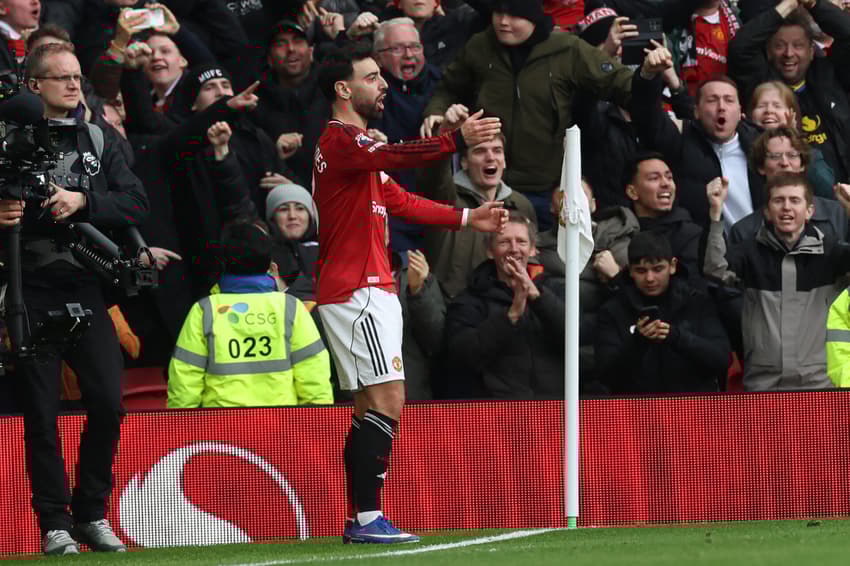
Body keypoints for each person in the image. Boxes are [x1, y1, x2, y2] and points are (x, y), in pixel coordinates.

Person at [313, 41, 507, 544]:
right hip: (356, 289)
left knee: (371, 402)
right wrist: (452, 140)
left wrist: (468, 217)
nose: (381, 86)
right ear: (343, 88)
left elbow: (403, 201)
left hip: (372, 288)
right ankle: (366, 518)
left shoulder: (361, 156)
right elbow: (399, 156)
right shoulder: (340, 140)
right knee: (388, 397)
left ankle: (363, 518)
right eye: (372, 76)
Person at [0, 42, 148, 555]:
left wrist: (85, 199)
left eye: (77, 77)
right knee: (41, 412)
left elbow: (136, 202)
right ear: (33, 86)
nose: (72, 85)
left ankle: (91, 512)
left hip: (87, 287)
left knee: (108, 403)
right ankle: (54, 521)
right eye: (60, 78)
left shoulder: (98, 137)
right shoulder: (5, 139)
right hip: (30, 289)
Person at [423, 0, 636, 230]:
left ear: (534, 17)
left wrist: (649, 76)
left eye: (514, 15)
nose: (503, 22)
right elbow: (448, 89)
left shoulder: (567, 49)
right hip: (488, 189)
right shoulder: (479, 47)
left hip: (547, 191)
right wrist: (436, 112)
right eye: (498, 13)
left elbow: (622, 84)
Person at [704, 171, 850, 391]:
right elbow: (715, 270)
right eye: (778, 200)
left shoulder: (832, 252)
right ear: (767, 212)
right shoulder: (749, 251)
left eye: (795, 200)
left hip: (820, 383)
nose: (786, 207)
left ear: (809, 211)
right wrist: (716, 213)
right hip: (764, 383)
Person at [167, 221, 332, 408]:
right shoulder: (290, 307)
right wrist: (317, 422)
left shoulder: (205, 310)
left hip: (220, 427)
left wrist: (182, 427)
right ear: (270, 264)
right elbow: (313, 371)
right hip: (281, 427)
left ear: (222, 263)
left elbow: (185, 378)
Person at [631, 42, 765, 230]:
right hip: (703, 251)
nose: (721, 107)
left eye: (729, 100)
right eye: (712, 100)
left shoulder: (761, 144)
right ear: (696, 112)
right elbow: (648, 119)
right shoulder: (682, 141)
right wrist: (648, 76)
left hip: (759, 248)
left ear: (740, 110)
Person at [417, 105, 536, 298]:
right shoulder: (446, 197)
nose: (490, 157)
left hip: (505, 308)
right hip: (450, 307)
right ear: (464, 162)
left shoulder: (521, 204)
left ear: (504, 161)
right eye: (480, 151)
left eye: (497, 151)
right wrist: (446, 136)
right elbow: (434, 174)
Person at [444, 212, 566, 399]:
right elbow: (463, 356)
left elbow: (576, 336)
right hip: (498, 413)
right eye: (504, 242)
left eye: (522, 242)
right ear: (490, 251)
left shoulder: (554, 289)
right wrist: (512, 314)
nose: (514, 249)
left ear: (533, 249)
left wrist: (536, 296)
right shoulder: (469, 299)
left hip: (553, 409)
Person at [728, 0, 850, 182]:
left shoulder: (831, 75)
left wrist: (814, 4)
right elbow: (740, 48)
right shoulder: (760, 83)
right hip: (790, 197)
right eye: (779, 45)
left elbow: (847, 33)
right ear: (768, 51)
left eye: (798, 45)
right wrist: (787, 6)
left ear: (811, 51)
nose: (789, 53)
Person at [595, 231, 730, 393]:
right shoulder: (613, 310)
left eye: (658, 269)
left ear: (672, 266)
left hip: (693, 408)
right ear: (630, 270)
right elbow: (606, 375)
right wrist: (638, 341)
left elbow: (721, 359)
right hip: (637, 411)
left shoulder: (696, 302)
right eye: (641, 271)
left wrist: (677, 337)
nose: (650, 278)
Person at [729, 126, 850, 244]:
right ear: (761, 166)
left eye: (792, 155)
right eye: (775, 156)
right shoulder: (743, 231)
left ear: (802, 164)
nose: (784, 163)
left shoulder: (838, 214)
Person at [746, 80, 835, 198]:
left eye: (777, 105)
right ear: (750, 114)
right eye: (761, 106)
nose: (769, 111)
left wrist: (796, 143)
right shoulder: (741, 148)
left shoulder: (809, 152)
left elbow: (828, 190)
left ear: (792, 113)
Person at [624, 152, 704, 278]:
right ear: (632, 192)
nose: (666, 183)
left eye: (669, 177)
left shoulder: (690, 234)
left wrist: (616, 276)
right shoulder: (617, 229)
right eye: (654, 178)